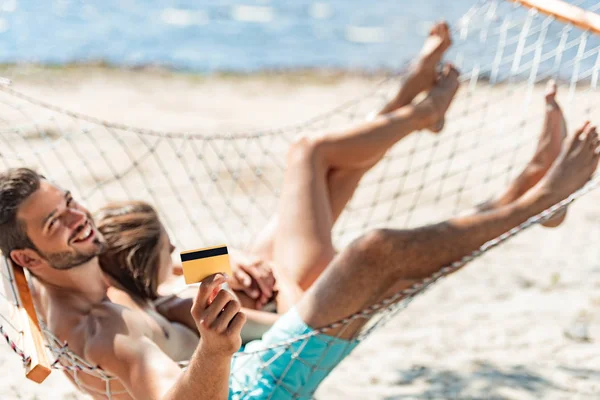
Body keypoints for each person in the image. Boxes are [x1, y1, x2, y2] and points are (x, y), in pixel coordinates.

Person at [1, 22, 597, 399]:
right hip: (255, 381)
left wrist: (225, 267)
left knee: (288, 210)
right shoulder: (95, 331)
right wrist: (213, 345)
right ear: (28, 255)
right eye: (58, 221)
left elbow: (168, 273)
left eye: (70, 200)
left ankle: (433, 127)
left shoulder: (94, 264)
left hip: (254, 332)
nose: (80, 218)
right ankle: (534, 200)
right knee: (372, 250)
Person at [95, 200, 279, 342]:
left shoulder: (150, 289)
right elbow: (285, 327)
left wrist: (229, 259)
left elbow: (178, 264)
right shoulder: (184, 307)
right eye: (167, 247)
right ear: (146, 265)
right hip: (277, 299)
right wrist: (279, 273)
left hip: (260, 286)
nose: (175, 248)